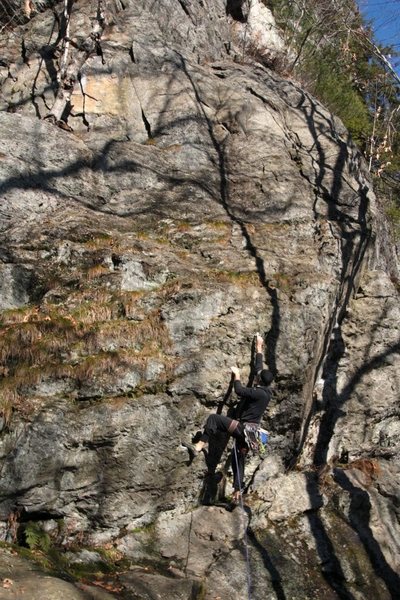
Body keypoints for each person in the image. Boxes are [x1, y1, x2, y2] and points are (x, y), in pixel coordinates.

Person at [183, 334, 273, 503]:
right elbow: (258, 368)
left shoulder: (258, 393)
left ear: (260, 381)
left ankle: (199, 445)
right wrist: (259, 347)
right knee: (238, 460)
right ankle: (237, 494)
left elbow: (239, 391)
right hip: (250, 435)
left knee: (214, 419)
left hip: (243, 429)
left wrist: (237, 375)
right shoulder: (266, 392)